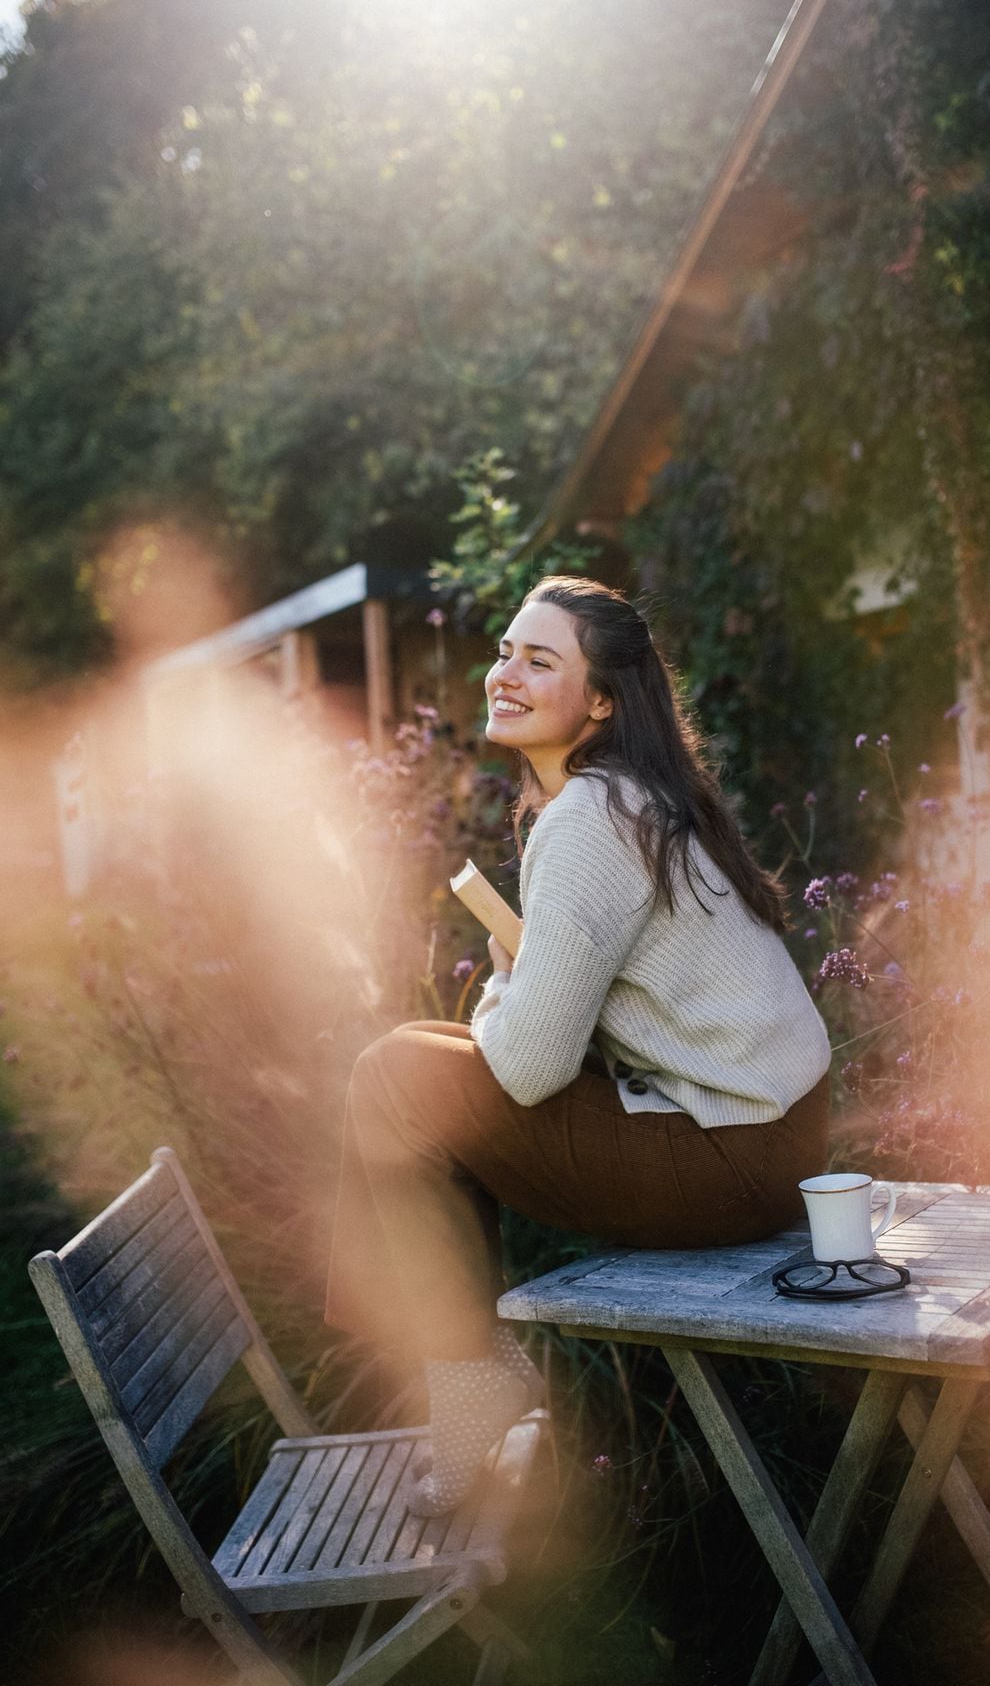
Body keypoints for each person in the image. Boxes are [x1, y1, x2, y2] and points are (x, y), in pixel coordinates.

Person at [325, 576, 831, 1517]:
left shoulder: (593, 820)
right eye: (505, 652)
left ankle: (459, 1366)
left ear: (601, 700)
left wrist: (510, 981)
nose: (504, 673)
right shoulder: (630, 797)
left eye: (538, 660)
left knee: (395, 1077)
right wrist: (518, 984)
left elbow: (528, 1067)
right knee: (417, 1052)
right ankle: (462, 1362)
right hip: (771, 1135)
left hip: (736, 1155)